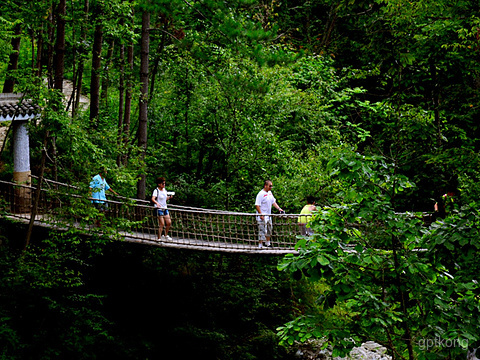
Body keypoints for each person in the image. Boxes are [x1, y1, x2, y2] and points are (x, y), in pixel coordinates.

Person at [255, 180, 284, 248]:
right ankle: (260, 244)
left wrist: (279, 208)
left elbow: (273, 202)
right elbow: (257, 205)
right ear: (265, 186)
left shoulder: (270, 193)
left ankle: (268, 243)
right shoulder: (260, 194)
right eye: (270, 186)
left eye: (271, 186)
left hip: (268, 215)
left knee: (269, 229)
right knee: (261, 230)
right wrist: (260, 214)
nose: (271, 187)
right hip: (262, 216)